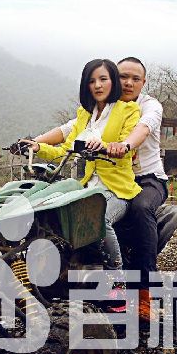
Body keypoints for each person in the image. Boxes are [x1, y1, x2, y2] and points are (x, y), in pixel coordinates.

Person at [34, 57, 167, 322]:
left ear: (143, 82)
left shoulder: (144, 107)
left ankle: (141, 292)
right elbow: (68, 133)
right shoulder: (93, 111)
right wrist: (34, 143)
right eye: (123, 76)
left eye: (135, 79)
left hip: (145, 178)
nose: (128, 83)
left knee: (140, 210)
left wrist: (123, 145)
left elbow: (142, 130)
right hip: (98, 182)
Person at [21, 59, 141, 272]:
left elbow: (127, 147)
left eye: (103, 79)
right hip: (87, 188)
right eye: (91, 81)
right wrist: (38, 147)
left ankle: (117, 280)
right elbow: (64, 151)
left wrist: (108, 147)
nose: (97, 85)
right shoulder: (84, 115)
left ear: (113, 81)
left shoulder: (128, 110)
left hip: (117, 189)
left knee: (99, 220)